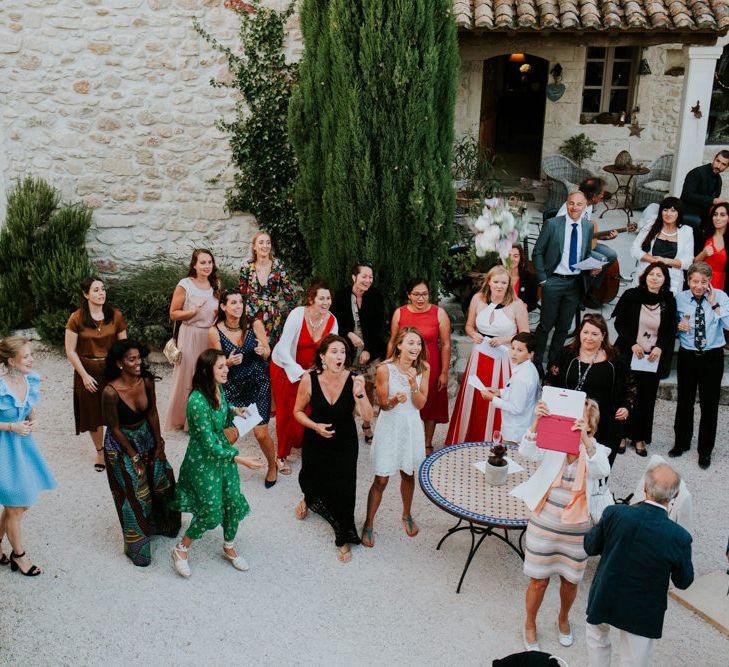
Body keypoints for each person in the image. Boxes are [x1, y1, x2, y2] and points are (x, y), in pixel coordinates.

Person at [512, 399, 611, 652]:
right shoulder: (555, 441)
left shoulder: (597, 451)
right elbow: (527, 451)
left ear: (591, 427)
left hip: (577, 528)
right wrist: (536, 421)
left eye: (581, 421)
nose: (572, 424)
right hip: (545, 520)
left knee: (570, 580)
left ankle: (563, 618)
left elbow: (601, 470)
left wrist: (584, 442)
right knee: (538, 580)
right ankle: (530, 623)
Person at [584, 463, 693, 667]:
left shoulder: (615, 513)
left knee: (597, 642)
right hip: (643, 609)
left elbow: (590, 546)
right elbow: (683, 581)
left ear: (644, 487)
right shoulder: (680, 537)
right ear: (675, 495)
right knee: (633, 661)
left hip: (606, 594)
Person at [170, 349, 262, 578]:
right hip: (204, 461)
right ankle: (181, 549)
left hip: (224, 456)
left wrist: (234, 411)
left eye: (226, 366)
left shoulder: (218, 388)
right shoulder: (196, 402)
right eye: (220, 367)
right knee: (211, 512)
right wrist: (240, 459)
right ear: (206, 371)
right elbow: (209, 445)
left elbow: (221, 411)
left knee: (232, 501)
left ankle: (228, 547)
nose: (226, 369)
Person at [293, 335, 373, 562]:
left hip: (344, 441)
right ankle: (308, 499)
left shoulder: (355, 379)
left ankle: (343, 536)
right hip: (315, 438)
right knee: (312, 477)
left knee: (344, 487)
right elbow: (297, 412)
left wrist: (360, 393)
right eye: (334, 352)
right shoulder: (309, 379)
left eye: (343, 352)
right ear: (322, 356)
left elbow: (368, 417)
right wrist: (315, 427)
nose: (340, 357)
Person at [101, 340, 180, 566]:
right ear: (119, 364)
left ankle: (162, 526)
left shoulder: (145, 381)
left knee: (162, 480)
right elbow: (113, 429)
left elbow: (153, 412)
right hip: (121, 446)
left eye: (139, 358)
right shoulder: (110, 392)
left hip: (146, 435)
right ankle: (137, 548)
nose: (138, 363)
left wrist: (159, 445)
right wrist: (134, 456)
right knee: (136, 493)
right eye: (131, 359)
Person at [361, 327, 429, 548]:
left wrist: (412, 386)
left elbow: (420, 405)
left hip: (410, 426)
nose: (415, 348)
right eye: (411, 343)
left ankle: (406, 514)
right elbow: (382, 405)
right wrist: (394, 401)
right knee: (381, 478)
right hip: (390, 426)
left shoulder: (424, 368)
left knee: (408, 474)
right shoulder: (384, 369)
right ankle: (369, 523)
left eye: (418, 344)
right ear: (399, 345)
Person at [446, 266, 529, 445]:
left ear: (509, 284)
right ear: (489, 282)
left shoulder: (517, 305)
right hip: (479, 357)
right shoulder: (477, 299)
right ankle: (470, 438)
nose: (499, 286)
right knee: (476, 399)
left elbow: (526, 335)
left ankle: (496, 443)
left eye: (504, 282)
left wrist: (505, 339)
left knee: (498, 400)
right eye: (496, 282)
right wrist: (473, 334)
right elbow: (469, 326)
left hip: (504, 360)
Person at [0, 336, 57, 577]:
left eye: (31, 354)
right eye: (26, 356)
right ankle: (19, 556)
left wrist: (33, 416)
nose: (31, 359)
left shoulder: (29, 379)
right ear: (11, 361)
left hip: (23, 448)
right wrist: (12, 427)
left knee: (20, 505)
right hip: (4, 449)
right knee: (14, 506)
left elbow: (28, 405)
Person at [208, 289, 276, 487]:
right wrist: (227, 363)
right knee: (230, 435)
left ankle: (272, 466)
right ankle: (220, 470)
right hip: (233, 386)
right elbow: (214, 364)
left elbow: (267, 353)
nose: (238, 306)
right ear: (223, 307)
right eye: (233, 303)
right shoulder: (215, 331)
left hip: (258, 382)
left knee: (261, 434)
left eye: (241, 302)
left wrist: (263, 350)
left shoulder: (254, 324)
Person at [270, 280, 337, 475]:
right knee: (287, 412)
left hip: (311, 372)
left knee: (308, 409)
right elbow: (282, 348)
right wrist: (300, 373)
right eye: (321, 298)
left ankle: (300, 442)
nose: (326, 302)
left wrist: (323, 371)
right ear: (311, 299)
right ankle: (281, 455)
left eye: (328, 298)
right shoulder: (297, 315)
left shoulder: (332, 320)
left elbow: (332, 349)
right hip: (285, 368)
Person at [547, 314, 633, 464]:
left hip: (603, 421)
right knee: (565, 463)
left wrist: (626, 406)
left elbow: (629, 385)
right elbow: (550, 380)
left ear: (603, 336)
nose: (589, 337)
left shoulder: (615, 358)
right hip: (569, 416)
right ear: (579, 332)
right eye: (585, 332)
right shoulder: (566, 354)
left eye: (594, 334)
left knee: (596, 464)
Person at [612, 263, 676, 456]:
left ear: (665, 280)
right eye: (651, 274)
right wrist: (632, 343)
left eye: (659, 275)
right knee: (623, 394)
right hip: (629, 352)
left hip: (652, 358)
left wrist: (660, 347)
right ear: (645, 276)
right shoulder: (631, 296)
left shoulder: (668, 301)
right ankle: (620, 435)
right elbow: (619, 323)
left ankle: (639, 437)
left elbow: (670, 329)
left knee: (646, 398)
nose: (654, 278)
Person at [65, 276, 128, 471]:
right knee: (93, 414)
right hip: (88, 372)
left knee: (117, 412)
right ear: (85, 294)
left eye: (102, 289)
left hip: (112, 371)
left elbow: (124, 346)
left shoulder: (115, 315)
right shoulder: (76, 318)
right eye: (95, 290)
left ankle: (118, 448)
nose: (101, 293)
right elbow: (70, 351)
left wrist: (122, 369)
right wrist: (84, 376)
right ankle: (100, 451)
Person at [670, 262, 729, 468]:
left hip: (712, 356)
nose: (699, 286)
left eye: (704, 282)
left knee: (709, 404)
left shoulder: (720, 297)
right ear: (688, 281)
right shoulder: (680, 299)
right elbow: (671, 327)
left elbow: (728, 324)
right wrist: (678, 328)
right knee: (684, 401)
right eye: (695, 281)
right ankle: (681, 443)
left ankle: (705, 450)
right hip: (688, 355)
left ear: (709, 281)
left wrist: (714, 304)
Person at [532, 190, 598, 370]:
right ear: (566, 204)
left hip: (575, 283)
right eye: (571, 203)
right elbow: (537, 252)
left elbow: (586, 253)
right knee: (546, 325)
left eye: (579, 204)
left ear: (585, 207)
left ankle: (554, 361)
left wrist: (592, 267)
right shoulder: (553, 225)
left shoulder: (588, 226)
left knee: (564, 326)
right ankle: (537, 361)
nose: (574, 207)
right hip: (553, 281)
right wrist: (543, 280)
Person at [388, 278, 450, 454]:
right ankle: (405, 440)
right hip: (404, 365)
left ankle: (427, 442)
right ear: (409, 295)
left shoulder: (439, 313)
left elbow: (445, 344)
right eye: (416, 294)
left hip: (432, 365)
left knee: (430, 402)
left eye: (424, 294)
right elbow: (393, 341)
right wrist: (388, 366)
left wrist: (444, 372)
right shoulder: (399, 313)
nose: (421, 298)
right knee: (404, 400)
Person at [331, 261, 387, 443]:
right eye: (364, 276)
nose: (368, 280)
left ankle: (366, 424)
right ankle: (345, 427)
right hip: (347, 352)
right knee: (346, 389)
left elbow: (379, 327)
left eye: (370, 277)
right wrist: (349, 335)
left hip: (371, 350)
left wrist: (369, 350)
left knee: (368, 387)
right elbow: (335, 322)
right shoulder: (341, 296)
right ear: (354, 277)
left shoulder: (376, 296)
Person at [165, 248, 220, 431]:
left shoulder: (216, 284)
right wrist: (192, 311)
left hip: (210, 335)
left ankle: (205, 420)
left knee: (208, 376)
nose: (207, 266)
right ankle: (185, 420)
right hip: (190, 334)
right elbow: (173, 313)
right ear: (194, 265)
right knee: (187, 376)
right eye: (202, 262)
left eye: (209, 262)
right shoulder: (185, 285)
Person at [479, 332, 540, 444]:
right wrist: (499, 392)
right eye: (512, 348)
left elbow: (516, 408)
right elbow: (518, 393)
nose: (513, 353)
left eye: (520, 350)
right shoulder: (528, 367)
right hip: (522, 426)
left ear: (530, 354)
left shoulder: (522, 377)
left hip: (515, 431)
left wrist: (492, 399)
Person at [238, 230, 296, 346]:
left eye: (268, 242)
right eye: (261, 242)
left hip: (272, 315)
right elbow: (241, 293)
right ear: (254, 246)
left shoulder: (279, 266)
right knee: (252, 347)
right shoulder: (246, 266)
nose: (265, 246)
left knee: (271, 349)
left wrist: (295, 316)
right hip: (251, 314)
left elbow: (288, 293)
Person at [630, 197, 693, 295]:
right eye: (665, 210)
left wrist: (664, 261)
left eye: (673, 210)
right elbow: (634, 250)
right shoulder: (651, 224)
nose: (668, 214)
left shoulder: (687, 231)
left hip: (672, 278)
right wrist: (654, 260)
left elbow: (688, 262)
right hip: (648, 273)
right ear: (661, 212)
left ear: (679, 213)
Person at [679, 150, 729, 251]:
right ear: (714, 159)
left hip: (704, 215)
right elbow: (687, 195)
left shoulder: (718, 179)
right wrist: (712, 201)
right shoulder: (696, 173)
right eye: (718, 161)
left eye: (723, 164)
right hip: (688, 212)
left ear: (727, 167)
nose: (718, 166)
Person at [694, 202, 729, 292]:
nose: (717, 218)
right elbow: (693, 263)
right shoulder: (703, 235)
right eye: (715, 215)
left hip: (722, 284)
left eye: (722, 215)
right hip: (701, 281)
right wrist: (703, 254)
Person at [504, 244, 538, 312]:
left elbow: (533, 303)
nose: (512, 259)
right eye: (508, 255)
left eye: (515, 256)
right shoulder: (496, 275)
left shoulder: (530, 278)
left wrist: (526, 306)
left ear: (520, 258)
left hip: (519, 316)